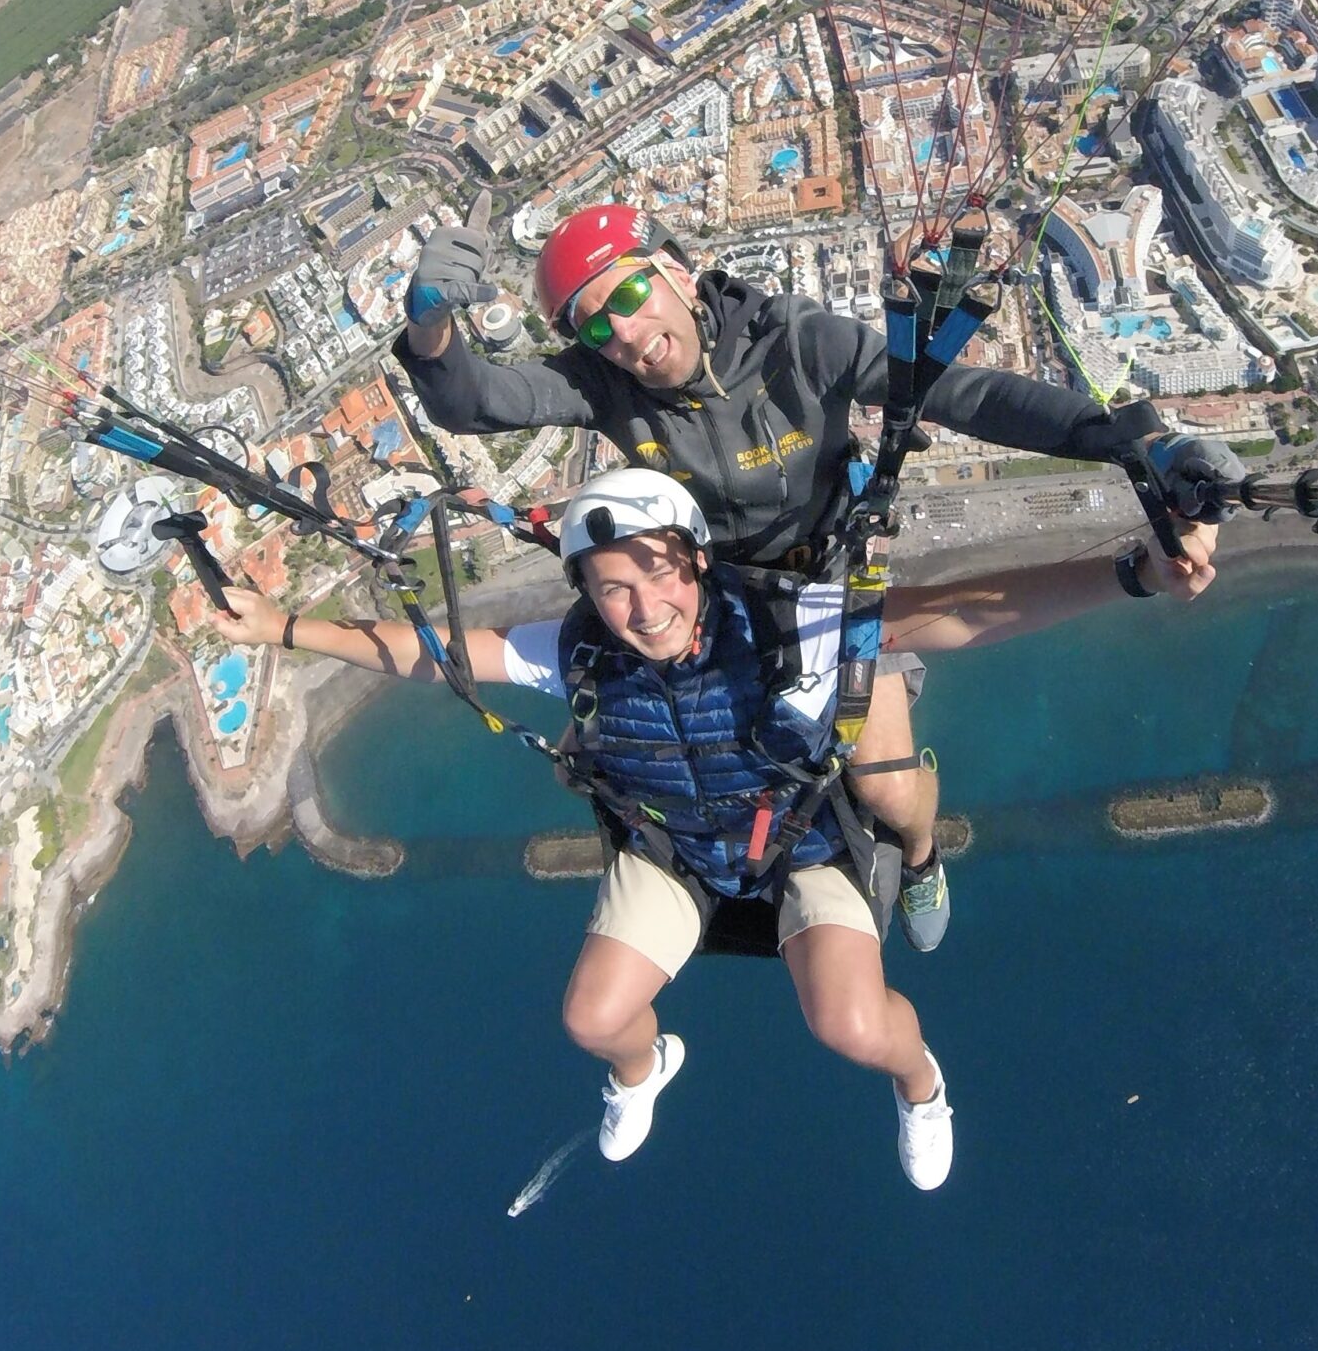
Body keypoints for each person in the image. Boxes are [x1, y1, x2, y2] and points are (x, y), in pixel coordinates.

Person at [207, 468, 1219, 1189]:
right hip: (675, 849)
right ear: (587, 596)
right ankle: (647, 1069)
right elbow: (434, 653)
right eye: (614, 588)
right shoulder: (580, 655)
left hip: (800, 845)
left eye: (660, 576)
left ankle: (923, 1083)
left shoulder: (784, 626)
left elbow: (958, 612)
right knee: (592, 1019)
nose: (644, 607)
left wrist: (1129, 574)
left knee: (852, 1024)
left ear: (696, 562)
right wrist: (283, 631)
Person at [395, 201, 1242, 958]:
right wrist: (430, 328)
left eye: (627, 295)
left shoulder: (796, 341)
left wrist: (1137, 443)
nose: (622, 333)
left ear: (677, 272)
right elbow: (477, 402)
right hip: (714, 601)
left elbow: (964, 396)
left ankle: (918, 854)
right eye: (591, 325)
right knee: (592, 752)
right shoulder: (603, 385)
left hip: (829, 585)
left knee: (886, 786)